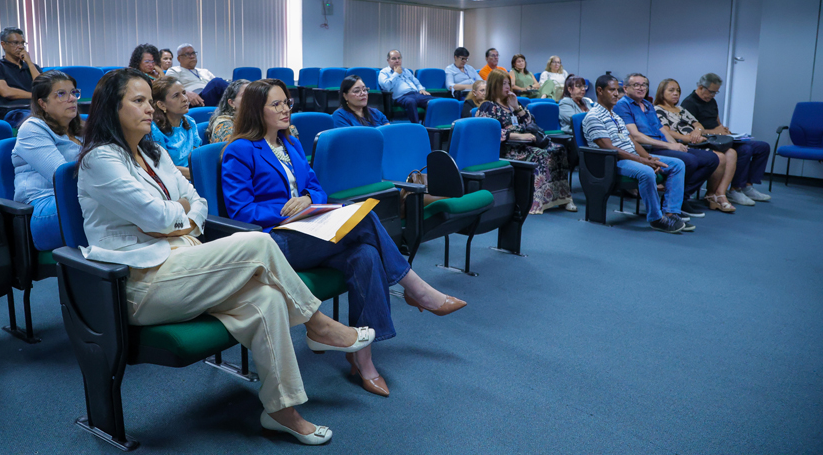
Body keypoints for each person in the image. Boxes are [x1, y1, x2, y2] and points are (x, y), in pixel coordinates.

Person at [77, 68, 371, 445]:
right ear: (111, 108)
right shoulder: (100, 159)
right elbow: (157, 217)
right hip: (140, 283)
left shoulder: (153, 152)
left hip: (184, 264)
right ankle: (318, 325)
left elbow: (195, 203)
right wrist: (174, 216)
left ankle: (281, 410)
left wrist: (175, 218)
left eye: (150, 100)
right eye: (138, 101)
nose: (150, 108)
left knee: (267, 300)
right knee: (257, 242)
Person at [221, 79, 466, 398]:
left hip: (309, 230)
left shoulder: (290, 143)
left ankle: (362, 358)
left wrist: (308, 200)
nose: (285, 110)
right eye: (276, 104)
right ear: (257, 110)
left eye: (287, 103)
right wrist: (284, 212)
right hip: (274, 243)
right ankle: (417, 290)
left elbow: (316, 187)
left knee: (366, 254)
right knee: (363, 216)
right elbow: (240, 210)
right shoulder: (239, 150)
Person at [583, 75, 692, 234]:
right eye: (612, 90)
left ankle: (671, 213)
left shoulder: (615, 116)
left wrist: (649, 158)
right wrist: (643, 161)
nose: (616, 94)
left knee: (677, 164)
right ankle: (656, 219)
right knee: (646, 171)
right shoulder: (594, 116)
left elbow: (632, 141)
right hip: (612, 161)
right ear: (599, 91)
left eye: (617, 90)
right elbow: (608, 148)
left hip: (631, 156)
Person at [614, 73, 719, 218]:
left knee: (711, 158)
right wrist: (668, 146)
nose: (641, 88)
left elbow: (661, 129)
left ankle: (681, 198)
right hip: (646, 148)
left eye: (644, 85)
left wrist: (675, 144)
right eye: (636, 85)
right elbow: (635, 136)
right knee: (690, 161)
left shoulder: (647, 105)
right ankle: (672, 203)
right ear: (625, 88)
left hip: (661, 145)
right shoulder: (622, 105)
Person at [476, 71, 575, 214]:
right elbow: (489, 132)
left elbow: (531, 123)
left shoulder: (512, 102)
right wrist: (518, 136)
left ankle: (562, 197)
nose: (508, 87)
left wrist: (518, 108)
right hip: (507, 149)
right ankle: (536, 201)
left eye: (508, 83)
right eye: (503, 84)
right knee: (541, 154)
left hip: (527, 143)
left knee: (559, 150)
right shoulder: (488, 106)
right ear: (494, 85)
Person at [11, 70, 83, 251]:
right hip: (44, 206)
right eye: (61, 94)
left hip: (80, 198)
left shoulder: (80, 130)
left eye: (73, 92)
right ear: (42, 103)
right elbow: (64, 177)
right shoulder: (32, 129)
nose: (72, 99)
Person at [681, 73, 771, 206]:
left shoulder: (711, 101)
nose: (713, 95)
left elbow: (718, 123)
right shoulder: (689, 103)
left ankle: (747, 186)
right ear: (700, 87)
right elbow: (691, 132)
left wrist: (724, 130)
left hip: (720, 137)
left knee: (763, 147)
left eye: (716, 92)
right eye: (711, 92)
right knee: (745, 150)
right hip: (707, 141)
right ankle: (735, 189)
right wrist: (716, 132)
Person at [654, 78, 738, 213]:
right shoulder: (658, 109)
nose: (676, 93)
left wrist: (697, 131)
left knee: (732, 153)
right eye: (671, 90)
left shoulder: (680, 109)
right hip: (681, 144)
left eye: (678, 90)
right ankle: (692, 196)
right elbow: (667, 132)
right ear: (661, 92)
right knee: (719, 158)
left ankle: (718, 194)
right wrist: (688, 138)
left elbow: (698, 124)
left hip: (698, 142)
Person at [0, 26, 43, 128]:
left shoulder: (33, 67)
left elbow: (43, 88)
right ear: (3, 44)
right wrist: (35, 96)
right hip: (14, 112)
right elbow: (6, 92)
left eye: (22, 43)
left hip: (37, 109)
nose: (20, 47)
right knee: (38, 121)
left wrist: (29, 63)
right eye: (15, 43)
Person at [150, 77, 201, 180]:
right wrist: (201, 175)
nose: (185, 99)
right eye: (176, 96)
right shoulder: (154, 129)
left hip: (194, 176)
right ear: (162, 105)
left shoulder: (190, 121)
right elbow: (167, 168)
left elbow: (196, 158)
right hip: (173, 181)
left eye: (184, 93)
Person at [378, 50, 434, 124]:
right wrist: (396, 74)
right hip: (401, 97)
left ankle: (431, 125)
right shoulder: (384, 72)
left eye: (399, 58)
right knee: (411, 102)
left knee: (435, 101)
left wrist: (421, 89)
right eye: (394, 58)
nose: (397, 60)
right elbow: (386, 87)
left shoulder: (406, 71)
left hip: (416, 94)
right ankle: (416, 127)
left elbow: (416, 82)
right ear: (388, 60)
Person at [164, 43, 229, 107]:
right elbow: (169, 87)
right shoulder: (174, 70)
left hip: (211, 96)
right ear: (179, 58)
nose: (192, 56)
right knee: (217, 82)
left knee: (224, 84)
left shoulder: (204, 71)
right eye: (187, 54)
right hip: (194, 101)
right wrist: (185, 93)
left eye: (193, 53)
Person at [208, 79, 249, 144]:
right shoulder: (223, 125)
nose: (252, 99)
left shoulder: (252, 119)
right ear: (232, 103)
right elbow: (236, 148)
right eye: (245, 95)